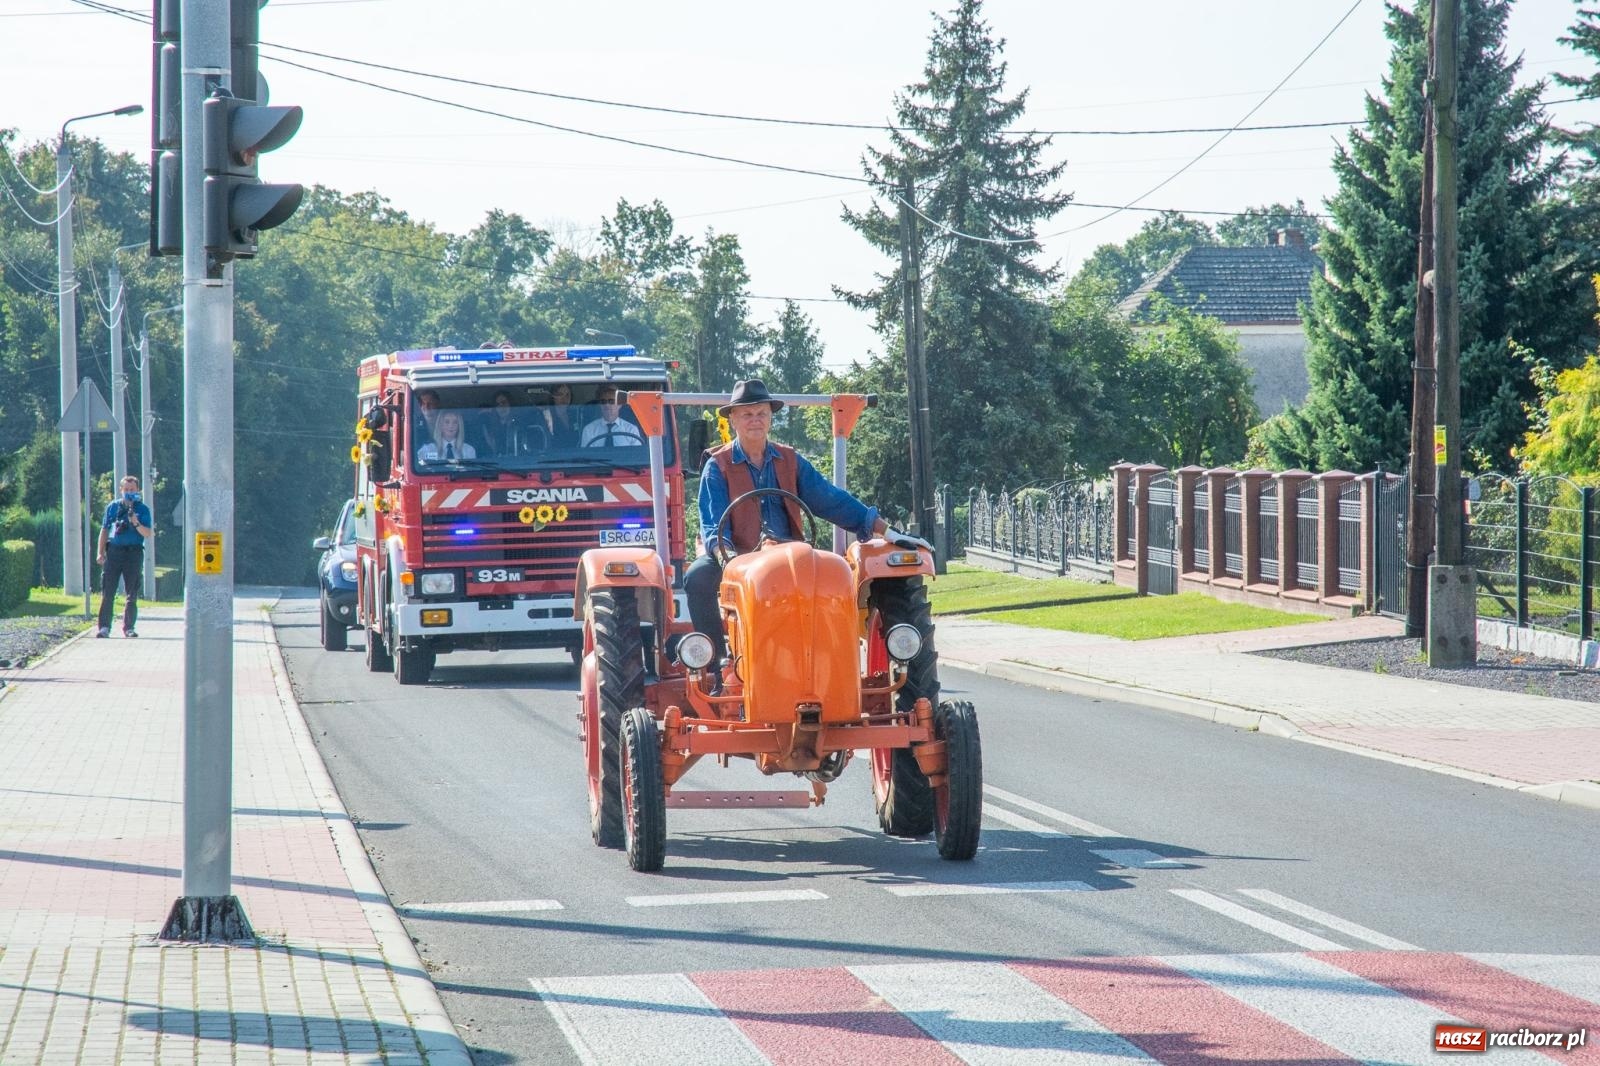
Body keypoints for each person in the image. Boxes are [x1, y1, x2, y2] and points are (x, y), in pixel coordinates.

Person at [686, 379, 890, 671]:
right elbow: (714, 524)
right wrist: (727, 559)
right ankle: (716, 665)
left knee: (836, 574)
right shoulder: (716, 466)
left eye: (761, 413)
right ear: (733, 420)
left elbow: (830, 499)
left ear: (770, 417)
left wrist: (884, 529)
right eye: (747, 414)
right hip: (739, 556)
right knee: (697, 577)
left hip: (789, 553)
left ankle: (830, 665)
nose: (755, 420)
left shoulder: (791, 460)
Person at [95, 475, 153, 638]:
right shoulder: (112, 507)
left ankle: (129, 627)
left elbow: (147, 533)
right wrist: (100, 552)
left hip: (133, 553)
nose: (129, 492)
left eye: (132, 490)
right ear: (121, 490)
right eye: (126, 489)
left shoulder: (143, 509)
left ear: (137, 490)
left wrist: (135, 521)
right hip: (114, 552)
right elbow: (105, 530)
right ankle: (104, 627)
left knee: (131, 593)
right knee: (108, 592)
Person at [579, 385, 646, 447]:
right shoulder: (589, 430)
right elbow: (586, 455)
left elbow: (637, 454)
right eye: (603, 402)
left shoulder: (631, 429)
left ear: (620, 404)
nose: (607, 405)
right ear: (600, 405)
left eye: (611, 401)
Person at [478, 391, 524, 456]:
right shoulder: (489, 427)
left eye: (504, 403)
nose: (501, 407)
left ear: (510, 405)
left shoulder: (519, 424)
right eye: (497, 404)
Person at [540, 382, 579, 447]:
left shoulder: (575, 415)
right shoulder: (546, 416)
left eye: (567, 395)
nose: (564, 398)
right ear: (553, 397)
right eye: (560, 394)